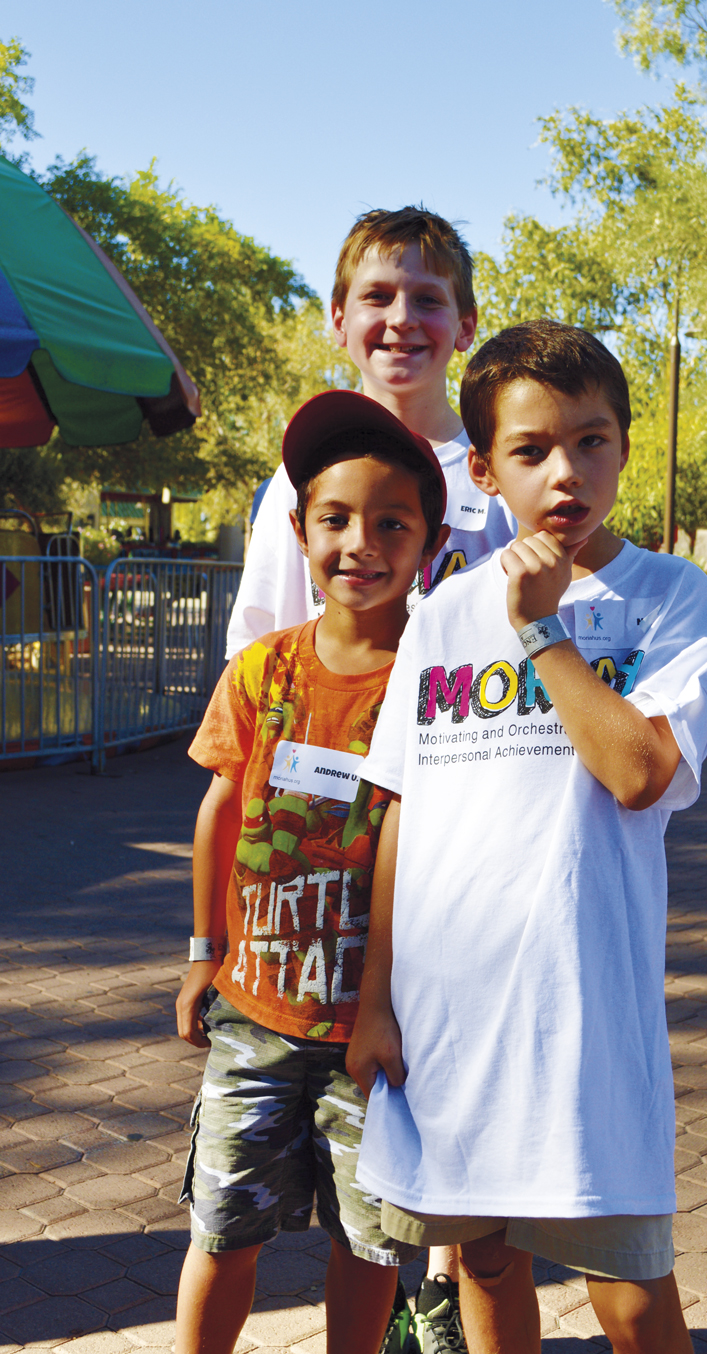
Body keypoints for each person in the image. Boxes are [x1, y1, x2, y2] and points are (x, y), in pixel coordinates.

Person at [347, 320, 707, 1354]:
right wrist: (376, 998)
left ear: (623, 447)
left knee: (634, 1291)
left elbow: (640, 771)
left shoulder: (667, 598)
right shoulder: (439, 614)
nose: (567, 472)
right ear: (483, 468)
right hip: (447, 1020)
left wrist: (541, 630)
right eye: (532, 450)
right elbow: (402, 811)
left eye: (592, 441)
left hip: (585, 1022)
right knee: (479, 1259)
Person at [173, 391, 451, 1354]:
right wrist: (205, 953)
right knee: (223, 1229)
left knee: (368, 1245)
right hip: (253, 1019)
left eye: (390, 523)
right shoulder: (261, 672)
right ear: (299, 531)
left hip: (376, 1036)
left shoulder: (436, 683)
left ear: (430, 538)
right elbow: (218, 808)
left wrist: (391, 1007)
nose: (359, 544)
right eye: (334, 520)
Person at [225, 205, 516, 658]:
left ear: (465, 327)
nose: (402, 317)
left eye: (428, 299)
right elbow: (255, 642)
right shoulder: (301, 472)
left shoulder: (504, 479)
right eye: (378, 296)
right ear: (340, 322)